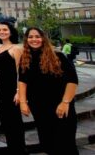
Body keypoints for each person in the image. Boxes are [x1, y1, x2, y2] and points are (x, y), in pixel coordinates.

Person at [19, 27, 78, 155]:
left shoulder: (58, 56)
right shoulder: (25, 59)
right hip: (39, 107)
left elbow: (72, 81)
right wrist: (23, 102)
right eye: (30, 37)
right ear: (26, 39)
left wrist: (65, 102)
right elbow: (23, 81)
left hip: (60, 106)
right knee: (48, 144)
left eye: (37, 36)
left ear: (43, 38)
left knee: (66, 145)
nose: (34, 39)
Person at [0, 21, 25, 153]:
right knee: (5, 120)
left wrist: (19, 92)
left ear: (11, 31)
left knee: (14, 122)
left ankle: (20, 150)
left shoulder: (16, 48)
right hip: (2, 90)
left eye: (5, 29)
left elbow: (20, 71)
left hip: (13, 90)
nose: (2, 32)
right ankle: (13, 148)